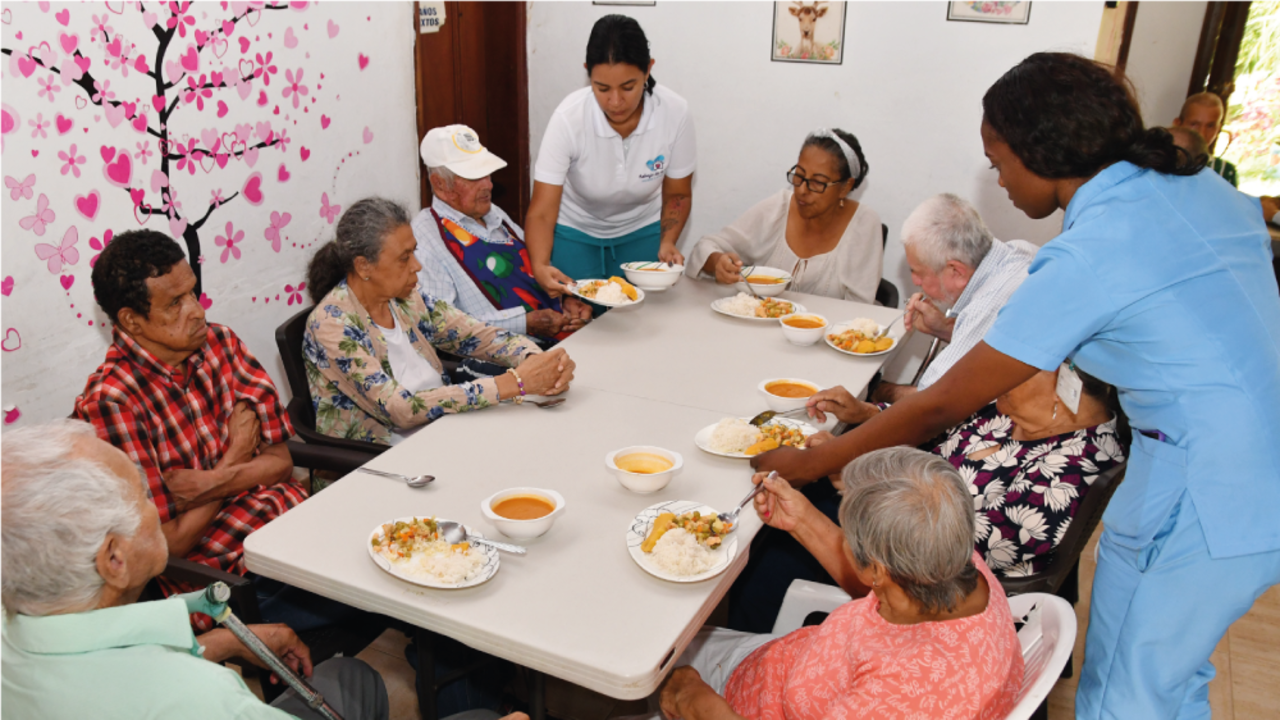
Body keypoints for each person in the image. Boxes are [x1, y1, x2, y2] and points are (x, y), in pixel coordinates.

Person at [753, 52, 1280, 719]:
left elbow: (947, 400)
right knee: (1165, 679)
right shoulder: (1198, 189)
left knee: (1128, 696)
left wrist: (813, 460)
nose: (997, 181)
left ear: (1042, 152)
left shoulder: (1094, 251)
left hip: (1214, 486)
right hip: (1212, 463)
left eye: (998, 162)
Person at [0, 419, 390, 720]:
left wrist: (228, 642)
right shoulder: (204, 698)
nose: (156, 510)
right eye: (142, 497)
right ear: (114, 560)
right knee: (354, 677)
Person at [628, 448, 1023, 720]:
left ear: (878, 569)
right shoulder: (948, 557)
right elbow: (882, 587)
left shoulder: (902, 699)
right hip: (779, 663)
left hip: (733, 704)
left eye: (847, 532)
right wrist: (801, 520)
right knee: (654, 645)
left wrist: (692, 698)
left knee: (634, 666)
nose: (842, 534)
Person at [74, 229, 339, 633]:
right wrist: (235, 458)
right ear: (131, 320)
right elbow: (172, 542)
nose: (196, 311)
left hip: (287, 524)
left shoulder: (220, 343)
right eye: (174, 303)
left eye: (193, 293)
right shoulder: (112, 403)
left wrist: (208, 484)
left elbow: (280, 462)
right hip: (225, 579)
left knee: (381, 557)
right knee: (368, 595)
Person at [729, 365, 1126, 633]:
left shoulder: (1072, 471)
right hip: (891, 513)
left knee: (768, 557)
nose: (1001, 373)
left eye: (1022, 367)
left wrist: (856, 486)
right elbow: (935, 430)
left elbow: (940, 557)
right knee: (779, 502)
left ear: (1064, 383)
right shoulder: (1012, 411)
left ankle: (757, 658)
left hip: (921, 577)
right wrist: (867, 416)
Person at [305, 198, 576, 445]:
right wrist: (513, 384)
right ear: (364, 266)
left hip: (444, 428)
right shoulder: (332, 324)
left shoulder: (404, 297)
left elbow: (474, 333)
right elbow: (401, 409)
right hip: (386, 458)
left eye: (414, 252)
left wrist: (534, 360)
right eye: (404, 258)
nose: (417, 266)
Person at [526, 14, 696, 294]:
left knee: (642, 322)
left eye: (628, 87)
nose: (615, 102)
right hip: (575, 233)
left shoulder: (675, 113)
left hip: (643, 232)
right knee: (579, 319)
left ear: (648, 69)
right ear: (587, 73)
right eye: (602, 88)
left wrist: (667, 242)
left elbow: (678, 194)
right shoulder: (569, 118)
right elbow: (542, 212)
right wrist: (541, 265)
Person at [411, 124, 593, 342]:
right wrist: (525, 323)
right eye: (474, 178)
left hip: (555, 337)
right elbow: (441, 325)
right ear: (440, 185)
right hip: (507, 355)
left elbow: (530, 274)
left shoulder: (492, 213)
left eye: (487, 174)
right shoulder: (425, 237)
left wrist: (563, 302)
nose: (488, 184)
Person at [685, 129, 883, 303]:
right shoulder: (778, 209)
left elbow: (859, 309)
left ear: (845, 187)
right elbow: (706, 246)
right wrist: (717, 262)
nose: (802, 190)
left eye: (817, 182)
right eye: (799, 175)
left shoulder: (864, 224)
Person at [870, 194, 1035, 401]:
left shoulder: (990, 303)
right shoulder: (1018, 250)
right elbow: (987, 347)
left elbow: (933, 403)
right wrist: (944, 328)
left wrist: (876, 394)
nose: (916, 281)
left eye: (918, 272)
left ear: (956, 271)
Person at [1171, 91, 1237, 186]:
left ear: (1218, 129)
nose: (1202, 134)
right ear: (1177, 124)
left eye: (1210, 126)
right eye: (1194, 124)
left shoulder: (1225, 171)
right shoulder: (1160, 164)